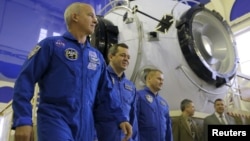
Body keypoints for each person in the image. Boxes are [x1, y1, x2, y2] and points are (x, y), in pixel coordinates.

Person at [12, 2, 114, 141]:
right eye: (90, 15)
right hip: (55, 120)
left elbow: (106, 93)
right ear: (75, 17)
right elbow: (25, 80)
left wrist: (120, 119)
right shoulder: (51, 45)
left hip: (87, 126)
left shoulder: (97, 57)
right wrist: (23, 119)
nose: (96, 20)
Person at [93, 43, 138, 141]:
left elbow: (133, 116)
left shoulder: (131, 86)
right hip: (103, 136)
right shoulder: (99, 79)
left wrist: (134, 139)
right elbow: (91, 108)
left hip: (125, 137)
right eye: (122, 55)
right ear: (111, 56)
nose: (126, 59)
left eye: (128, 57)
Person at [136, 68, 173, 141]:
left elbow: (168, 128)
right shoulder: (138, 96)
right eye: (159, 79)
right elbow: (133, 123)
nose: (161, 82)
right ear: (149, 78)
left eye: (163, 80)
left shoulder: (164, 103)